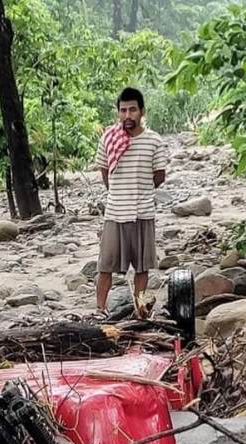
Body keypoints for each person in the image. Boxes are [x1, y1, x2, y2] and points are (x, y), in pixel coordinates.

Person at [94, 87, 168, 313]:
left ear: (142, 112)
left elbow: (159, 176)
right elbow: (105, 172)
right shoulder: (109, 139)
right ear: (118, 112)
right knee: (105, 266)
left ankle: (140, 309)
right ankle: (99, 310)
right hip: (115, 212)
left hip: (143, 212)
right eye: (123, 110)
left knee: (142, 267)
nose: (128, 115)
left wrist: (140, 191)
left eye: (132, 110)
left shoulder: (154, 141)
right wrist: (120, 192)